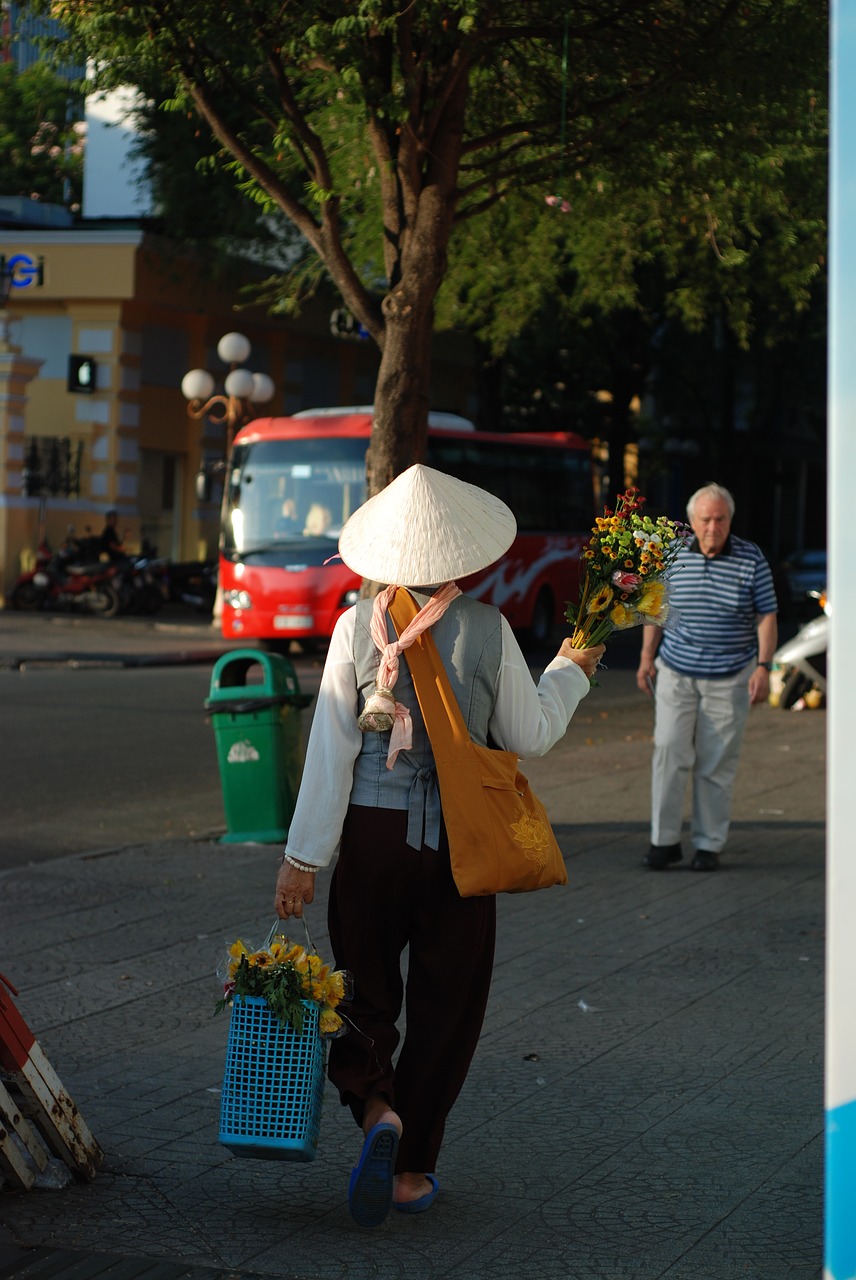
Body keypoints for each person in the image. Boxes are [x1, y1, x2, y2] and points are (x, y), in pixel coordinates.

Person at [274, 464, 604, 1228]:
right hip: (461, 845)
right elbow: (532, 734)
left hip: (371, 839)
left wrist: (302, 861)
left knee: (362, 993)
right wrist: (573, 669)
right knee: (446, 1005)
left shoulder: (356, 627)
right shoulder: (487, 629)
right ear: (460, 552)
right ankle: (412, 1169)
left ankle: (377, 1110)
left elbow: (330, 751)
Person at [636, 482, 778, 873]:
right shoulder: (672, 555)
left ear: (730, 520)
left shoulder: (751, 558)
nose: (713, 527)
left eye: (720, 519)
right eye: (706, 519)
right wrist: (647, 659)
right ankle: (663, 842)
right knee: (668, 751)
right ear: (693, 522)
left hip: (730, 675)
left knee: (716, 762)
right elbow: (655, 608)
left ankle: (708, 845)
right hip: (676, 671)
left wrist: (764, 667)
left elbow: (767, 615)